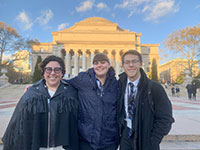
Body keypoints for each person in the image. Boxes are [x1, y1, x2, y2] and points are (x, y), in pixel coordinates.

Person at [2, 55, 78, 150]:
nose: (53, 73)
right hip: (37, 146)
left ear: (62, 73)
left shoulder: (71, 93)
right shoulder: (32, 93)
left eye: (57, 69)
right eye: (48, 69)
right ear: (43, 72)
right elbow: (18, 123)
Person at [118, 50, 174, 150]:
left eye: (134, 61)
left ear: (140, 64)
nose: (131, 65)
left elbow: (166, 118)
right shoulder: (119, 86)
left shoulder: (154, 88)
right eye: (127, 62)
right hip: (126, 136)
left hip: (145, 137)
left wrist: (153, 141)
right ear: (123, 66)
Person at [67, 53, 119, 150]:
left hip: (108, 142)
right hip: (87, 141)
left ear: (109, 64)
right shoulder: (82, 79)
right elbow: (62, 85)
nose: (99, 65)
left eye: (103, 62)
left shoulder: (117, 84)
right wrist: (38, 86)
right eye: (96, 63)